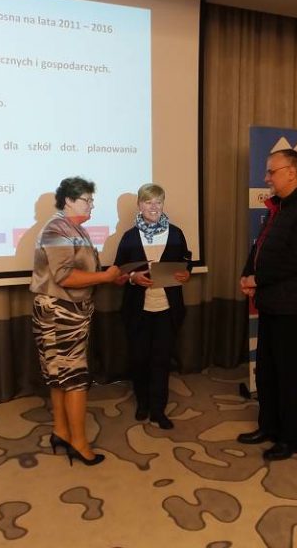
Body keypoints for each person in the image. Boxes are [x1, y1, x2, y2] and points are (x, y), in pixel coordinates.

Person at [238, 149, 297, 461]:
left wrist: (257, 279)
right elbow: (262, 246)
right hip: (272, 302)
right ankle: (268, 426)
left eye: (271, 172)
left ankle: (291, 438)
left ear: (291, 172)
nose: (266, 178)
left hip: (295, 307)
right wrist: (247, 274)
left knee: (289, 375)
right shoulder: (281, 205)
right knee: (267, 371)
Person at [31, 177, 122, 466]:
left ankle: (61, 431)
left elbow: (84, 271)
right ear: (68, 200)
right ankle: (79, 444)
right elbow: (65, 276)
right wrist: (104, 277)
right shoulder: (56, 229)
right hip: (59, 313)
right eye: (87, 199)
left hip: (69, 312)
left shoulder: (73, 228)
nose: (92, 204)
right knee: (75, 379)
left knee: (61, 376)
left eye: (92, 200)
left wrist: (112, 277)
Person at [114, 183, 191, 430]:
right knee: (140, 359)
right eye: (148, 202)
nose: (154, 207)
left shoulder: (176, 234)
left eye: (158, 202)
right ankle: (143, 404)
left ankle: (158, 410)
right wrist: (133, 278)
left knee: (161, 360)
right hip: (138, 309)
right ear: (139, 205)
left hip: (167, 309)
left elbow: (186, 263)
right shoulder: (129, 237)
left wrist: (186, 274)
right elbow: (117, 273)